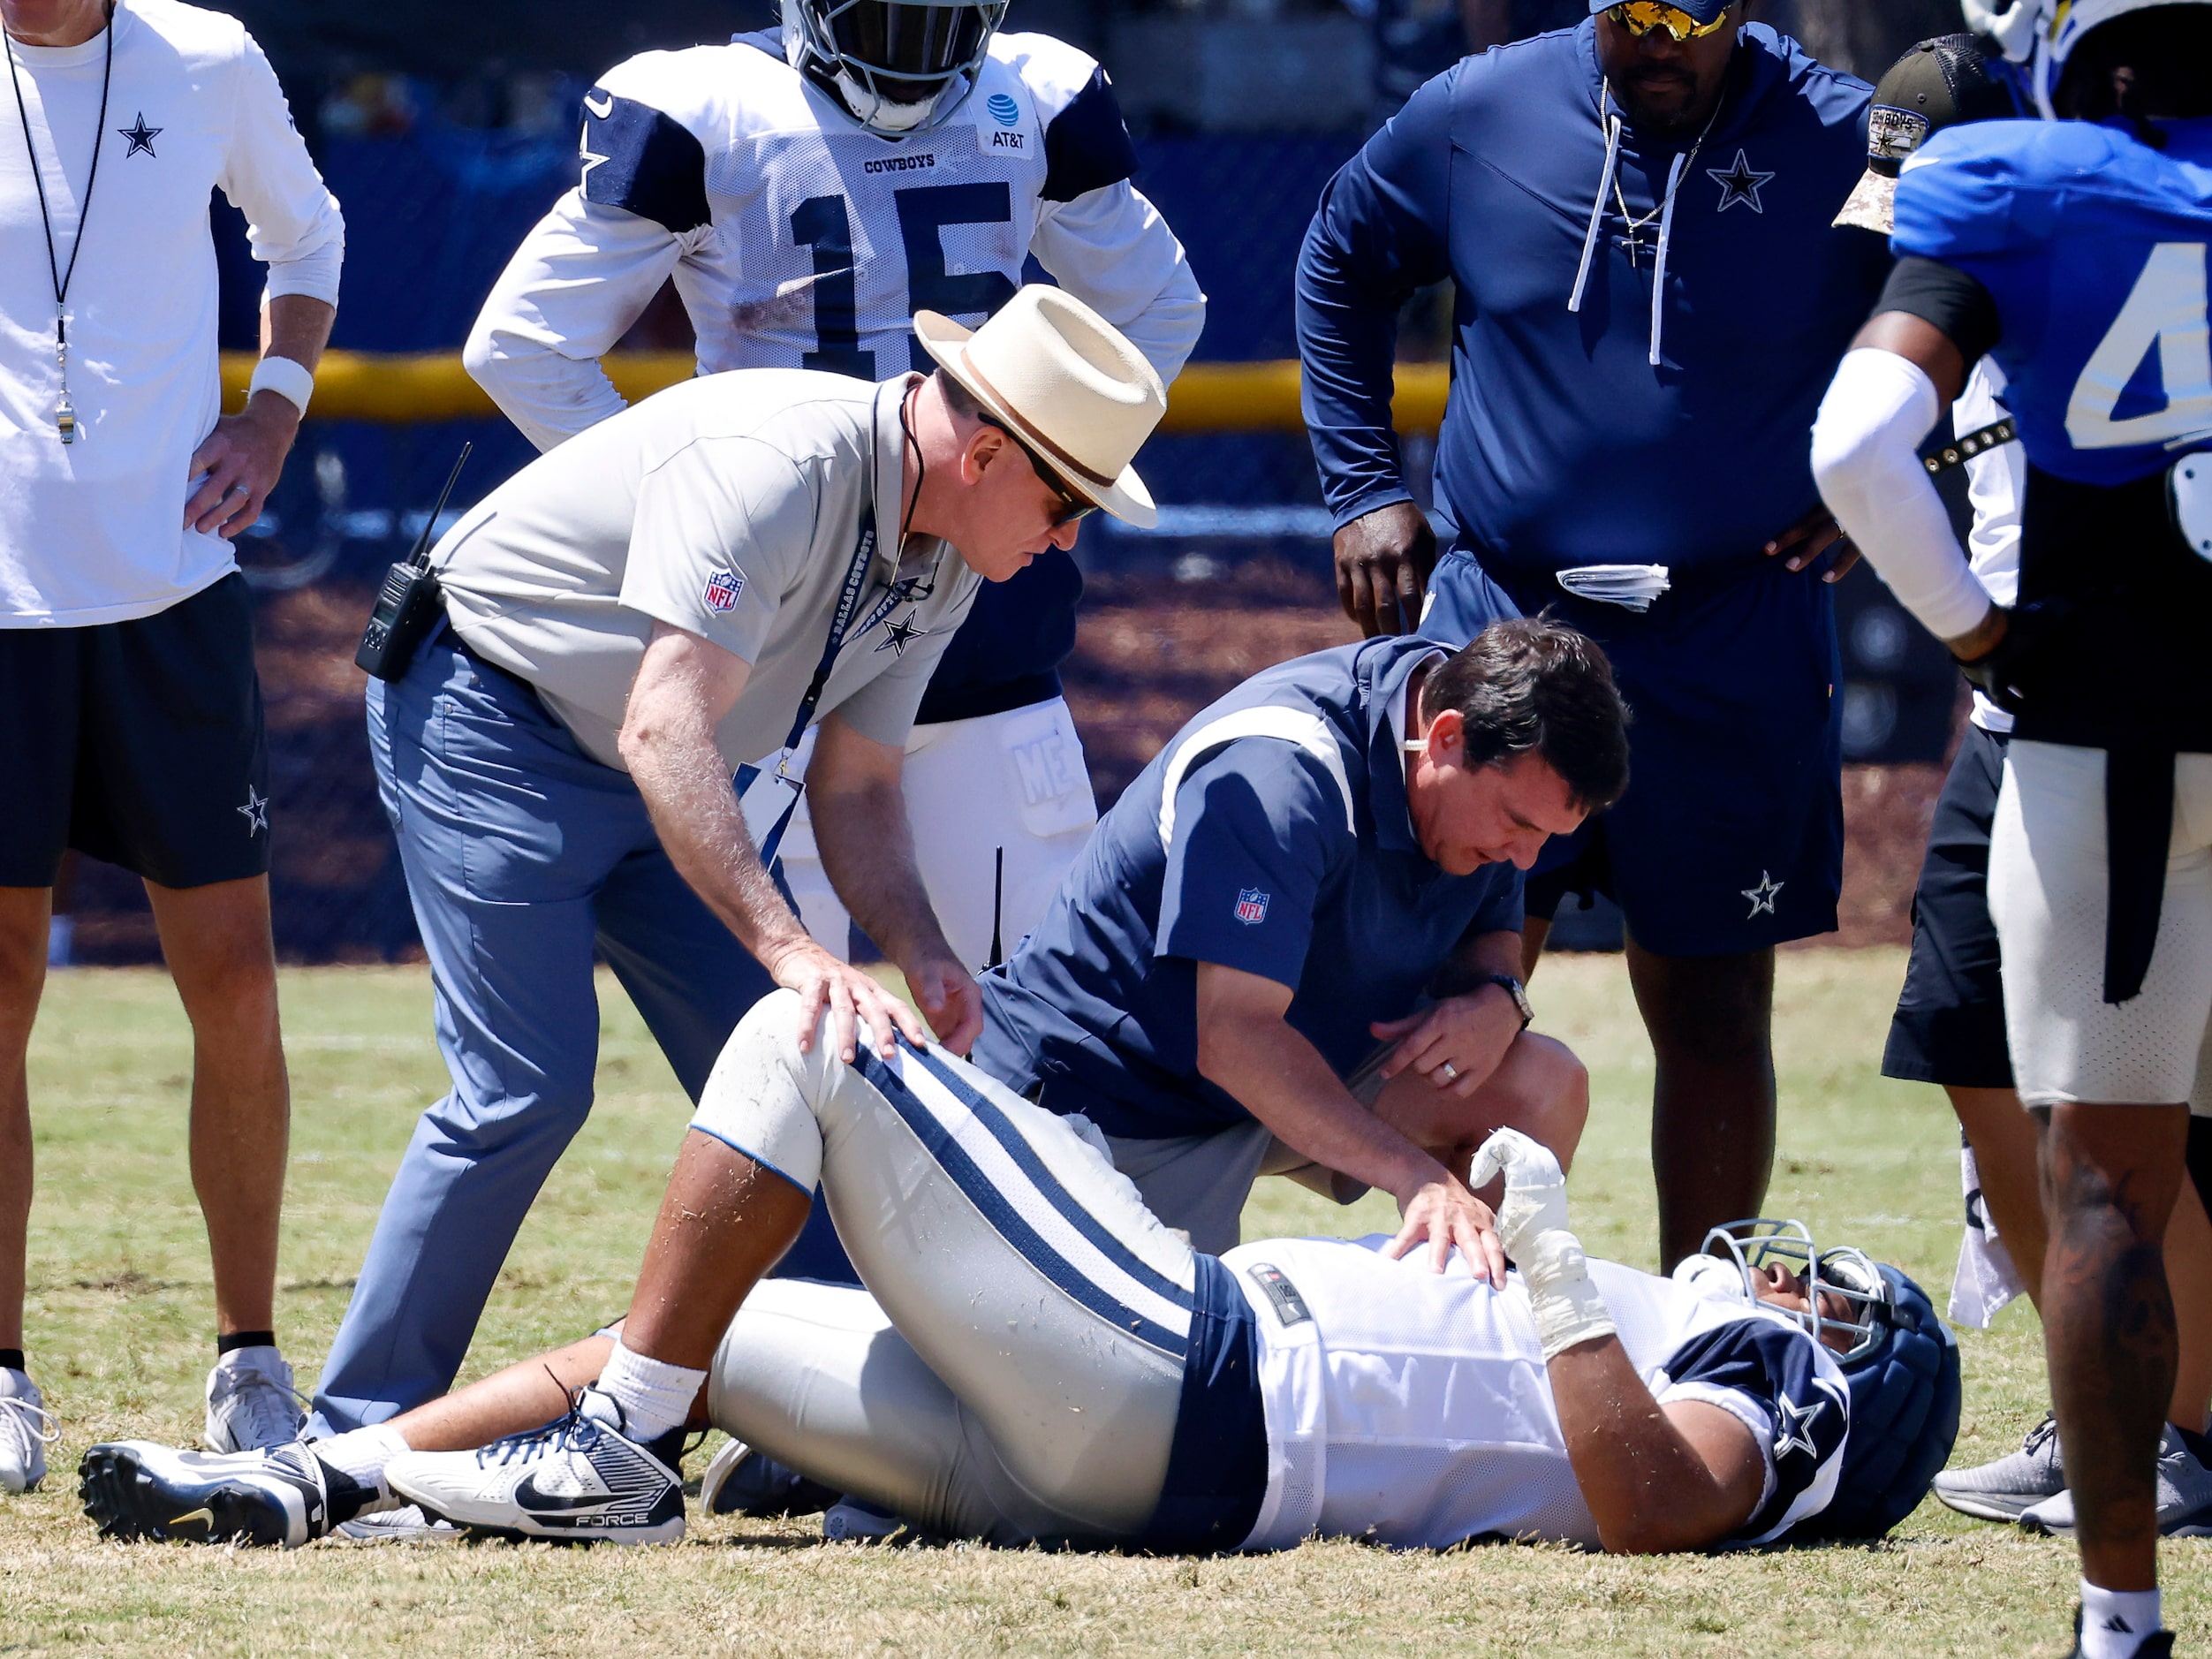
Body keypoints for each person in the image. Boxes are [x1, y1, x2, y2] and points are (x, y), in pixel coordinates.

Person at [78, 997, 1960, 1557]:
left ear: (1850, 1367)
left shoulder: (1769, 1385)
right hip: (1137, 1465)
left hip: (1202, 1376)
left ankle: (611, 1456)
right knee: (696, 1351)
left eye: (1834, 1286)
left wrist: (1551, 1256)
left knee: (812, 1033)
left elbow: (1657, 1504)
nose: (1788, 1270)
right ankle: (312, 1481)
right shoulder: (1725, 1347)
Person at [303, 286, 1166, 1448]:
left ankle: (822, 1425)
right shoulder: (777, 464)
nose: (1070, 537)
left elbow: (857, 786)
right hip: (491, 708)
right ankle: (354, 1441)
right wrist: (795, 944)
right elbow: (665, 726)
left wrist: (920, 949)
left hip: (656, 756)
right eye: (1068, 503)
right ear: (989, 452)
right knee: (528, 1086)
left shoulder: (948, 555)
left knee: (819, 1071)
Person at [1296, 0, 1895, 1269]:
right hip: (1509, 606)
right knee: (1460, 991)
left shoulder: (1848, 136)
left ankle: (1702, 1325)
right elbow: (1339, 255)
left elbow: (1972, 292)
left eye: (1694, 13)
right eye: (1633, 12)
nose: (1660, 41)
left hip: (1734, 622)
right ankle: (1461, 1322)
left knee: (1718, 996)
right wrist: (1363, 486)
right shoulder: (1481, 110)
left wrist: (1893, 464)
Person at [464, 0, 1202, 985]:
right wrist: (703, 522)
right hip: (786, 627)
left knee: (1041, 1021)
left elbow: (1160, 307)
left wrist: (1040, 481)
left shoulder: (1032, 92)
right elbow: (519, 347)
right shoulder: (715, 108)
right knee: (798, 1043)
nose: (914, 46)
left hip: (953, 617)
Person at [1810, 4, 2212, 1648]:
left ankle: (2117, 1620)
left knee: (2104, 1186)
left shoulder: (2013, 180)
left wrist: (1977, 634)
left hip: (2100, 736)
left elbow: (1851, 444)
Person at [0, 0, 343, 1488]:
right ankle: (2, 1371)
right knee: (0, 984)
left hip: (171, 595)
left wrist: (272, 413)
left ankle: (248, 1355)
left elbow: (307, 239)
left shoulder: (205, 56)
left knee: (233, 981)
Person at [973, 617, 1626, 1261]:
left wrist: (1500, 997)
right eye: (1518, 825)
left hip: (1302, 1066)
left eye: (1547, 836)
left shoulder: (1480, 740)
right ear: (1446, 739)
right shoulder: (1278, 775)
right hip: (1115, 1094)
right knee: (1164, 1360)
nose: (1525, 859)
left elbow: (1494, 937)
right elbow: (1233, 1039)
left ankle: (1470, 1343)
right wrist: (1417, 1177)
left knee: (1542, 1084)